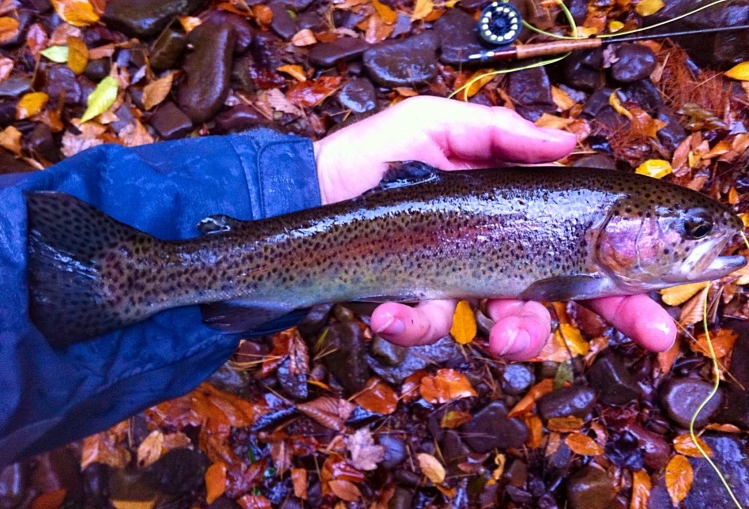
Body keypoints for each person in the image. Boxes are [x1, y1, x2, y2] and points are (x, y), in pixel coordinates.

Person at [0, 96, 676, 466]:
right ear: (625, 227)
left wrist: (306, 181)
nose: (699, 250)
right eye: (687, 232)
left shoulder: (589, 249)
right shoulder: (580, 263)